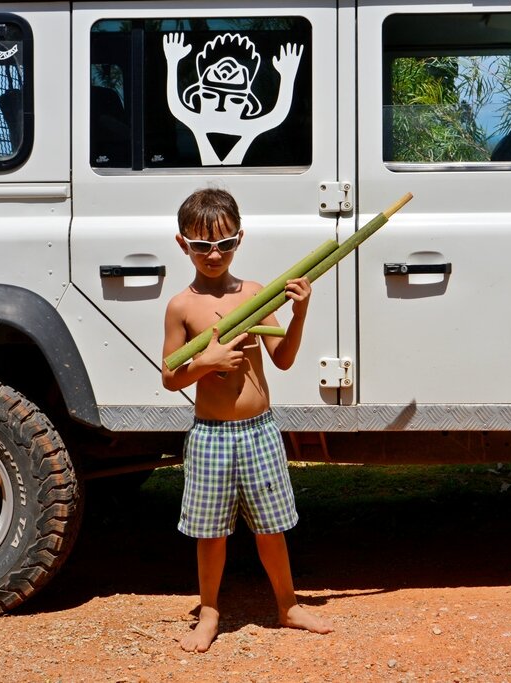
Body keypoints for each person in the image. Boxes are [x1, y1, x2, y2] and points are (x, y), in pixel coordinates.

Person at [161, 187, 334, 653]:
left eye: (224, 244)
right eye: (201, 245)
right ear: (183, 245)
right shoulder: (181, 306)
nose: (213, 254)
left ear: (240, 240)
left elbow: (282, 360)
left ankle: (288, 605)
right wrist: (208, 360)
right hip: (211, 435)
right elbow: (171, 377)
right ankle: (210, 612)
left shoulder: (256, 294)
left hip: (259, 431)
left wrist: (299, 312)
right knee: (210, 532)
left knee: (270, 527)